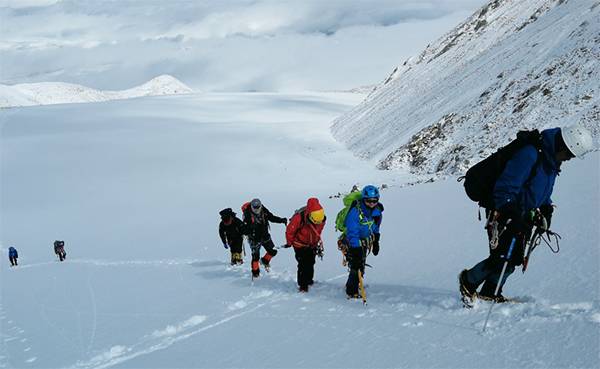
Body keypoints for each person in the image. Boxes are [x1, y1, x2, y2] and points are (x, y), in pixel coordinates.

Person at [459, 125, 594, 304]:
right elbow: (506, 187)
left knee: (513, 257)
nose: (569, 159)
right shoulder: (530, 154)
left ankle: (490, 292)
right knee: (502, 256)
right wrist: (511, 212)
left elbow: (541, 190)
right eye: (569, 154)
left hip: (523, 215)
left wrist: (546, 208)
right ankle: (469, 280)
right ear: (563, 146)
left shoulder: (551, 162)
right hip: (503, 211)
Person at [343, 185, 383, 298]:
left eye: (374, 201)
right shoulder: (355, 212)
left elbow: (376, 227)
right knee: (356, 266)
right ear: (364, 199)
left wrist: (376, 241)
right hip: (352, 242)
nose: (371, 203)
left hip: (365, 241)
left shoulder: (377, 212)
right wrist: (356, 249)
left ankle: (354, 284)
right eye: (368, 201)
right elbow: (352, 232)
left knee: (361, 264)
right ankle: (351, 291)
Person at [285, 198, 326, 292]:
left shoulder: (321, 218)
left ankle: (309, 280)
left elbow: (318, 231)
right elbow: (290, 231)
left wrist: (316, 242)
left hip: (312, 244)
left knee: (311, 262)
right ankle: (303, 285)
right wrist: (289, 242)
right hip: (300, 245)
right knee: (303, 264)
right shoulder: (299, 218)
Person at [242, 198, 287, 278]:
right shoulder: (247, 215)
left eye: (258, 208)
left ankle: (265, 261)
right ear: (251, 207)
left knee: (273, 251)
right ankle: (255, 274)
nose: (256, 210)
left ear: (260, 206)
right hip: (254, 239)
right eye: (254, 208)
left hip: (265, 235)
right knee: (255, 258)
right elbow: (244, 229)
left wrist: (281, 220)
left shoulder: (264, 210)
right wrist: (248, 228)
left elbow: (271, 217)